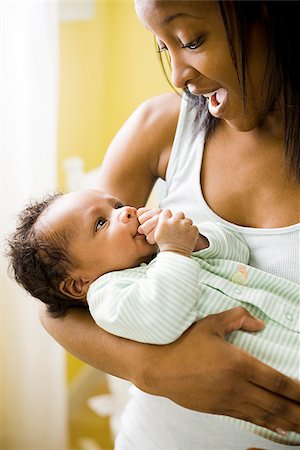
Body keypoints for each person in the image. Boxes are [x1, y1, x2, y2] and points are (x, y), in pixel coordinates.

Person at [39, 1, 300, 449]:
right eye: (164, 48)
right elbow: (58, 301)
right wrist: (155, 369)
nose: (179, 76)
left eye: (191, 41)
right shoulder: (161, 128)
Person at [8, 188, 299, 446]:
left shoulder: (163, 255)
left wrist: (196, 239)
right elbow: (163, 316)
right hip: (280, 373)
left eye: (118, 205)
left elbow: (238, 250)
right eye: (101, 223)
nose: (126, 212)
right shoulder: (109, 295)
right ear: (77, 284)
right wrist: (176, 250)